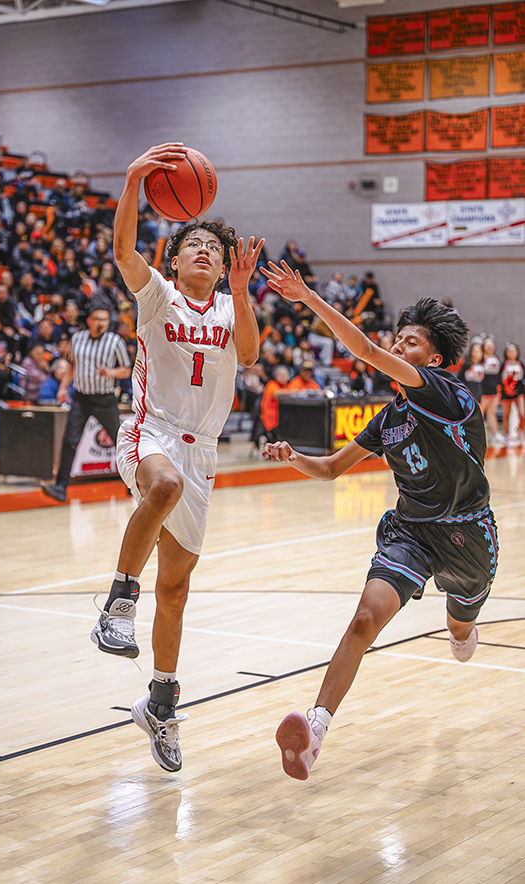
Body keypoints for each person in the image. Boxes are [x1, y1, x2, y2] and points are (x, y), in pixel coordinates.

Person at [260, 259, 497, 781]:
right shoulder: (390, 417)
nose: (397, 346)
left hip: (467, 534)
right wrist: (292, 456)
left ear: (433, 357)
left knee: (461, 625)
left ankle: (461, 627)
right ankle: (315, 731)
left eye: (409, 341)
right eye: (397, 339)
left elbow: (362, 350)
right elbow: (330, 469)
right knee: (365, 618)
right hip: (411, 531)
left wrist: (309, 299)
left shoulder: (446, 393)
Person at [91, 142, 262, 774]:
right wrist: (135, 178)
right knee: (158, 489)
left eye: (214, 248)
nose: (205, 250)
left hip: (205, 452)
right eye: (193, 242)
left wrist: (243, 293)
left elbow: (247, 356)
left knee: (179, 587)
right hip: (151, 431)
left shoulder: (227, 304)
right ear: (175, 255)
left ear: (222, 268)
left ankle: (161, 699)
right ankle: (116, 602)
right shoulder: (157, 295)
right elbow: (121, 252)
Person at [40, 305, 131, 502]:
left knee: (120, 442)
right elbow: (71, 365)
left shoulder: (115, 342)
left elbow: (126, 370)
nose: (101, 323)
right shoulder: (77, 339)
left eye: (105, 320)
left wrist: (111, 373)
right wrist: (63, 388)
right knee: (70, 441)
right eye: (97, 319)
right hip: (81, 397)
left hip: (105, 399)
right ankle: (61, 488)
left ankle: (133, 483)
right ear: (89, 320)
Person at [498, 342, 525, 446]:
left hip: (519, 391)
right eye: (510, 350)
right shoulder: (503, 365)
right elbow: (499, 379)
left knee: (522, 413)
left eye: (514, 350)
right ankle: (508, 435)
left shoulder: (521, 364)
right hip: (506, 391)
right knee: (506, 415)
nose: (512, 352)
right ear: (506, 352)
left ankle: (520, 433)